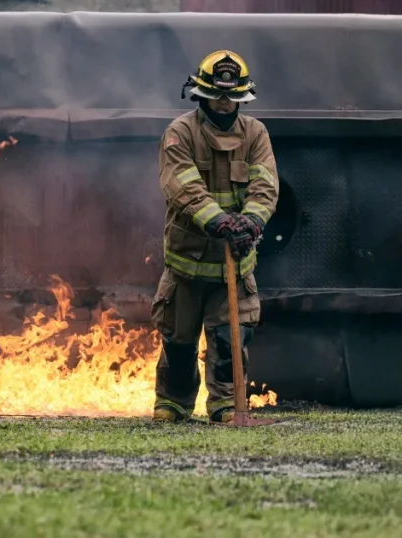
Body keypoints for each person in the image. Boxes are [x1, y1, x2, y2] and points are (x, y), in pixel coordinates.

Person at [151, 50, 279, 423]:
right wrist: (219, 222)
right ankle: (173, 403)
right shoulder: (180, 133)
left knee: (229, 343)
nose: (224, 102)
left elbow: (265, 186)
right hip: (186, 264)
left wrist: (251, 223)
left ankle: (225, 404)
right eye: (218, 94)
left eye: (232, 96)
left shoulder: (255, 134)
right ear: (201, 93)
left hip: (233, 268)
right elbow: (182, 186)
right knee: (178, 342)